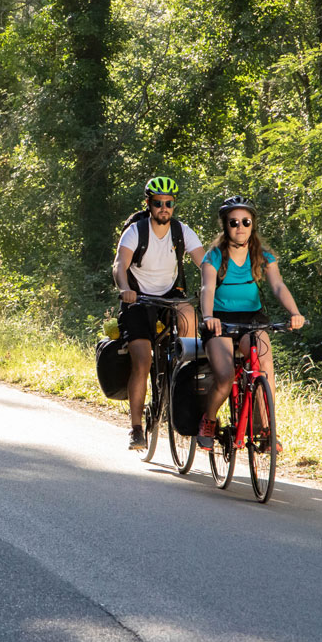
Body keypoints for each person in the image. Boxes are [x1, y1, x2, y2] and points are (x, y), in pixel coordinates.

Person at [197, 195, 305, 452]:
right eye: (233, 222)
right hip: (220, 321)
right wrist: (209, 317)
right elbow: (207, 288)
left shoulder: (263, 256)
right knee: (224, 378)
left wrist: (294, 312)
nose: (240, 227)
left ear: (252, 224)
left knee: (264, 367)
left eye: (245, 221)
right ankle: (208, 420)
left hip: (252, 319)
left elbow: (278, 286)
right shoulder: (213, 257)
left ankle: (266, 429)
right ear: (225, 226)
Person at [113, 176, 205, 450]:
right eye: (158, 203)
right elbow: (119, 264)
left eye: (169, 203)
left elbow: (205, 263)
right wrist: (124, 287)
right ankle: (136, 429)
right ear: (148, 204)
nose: (164, 208)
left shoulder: (182, 231)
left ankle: (181, 375)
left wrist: (218, 284)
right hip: (138, 298)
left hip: (171, 295)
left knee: (189, 318)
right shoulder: (135, 231)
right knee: (142, 360)